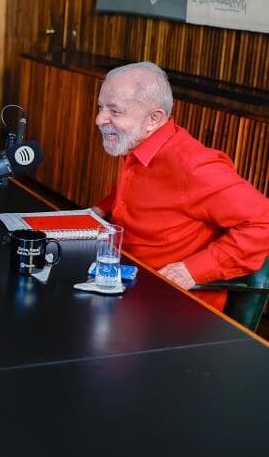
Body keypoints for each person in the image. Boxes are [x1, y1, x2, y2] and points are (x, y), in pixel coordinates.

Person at [92, 61, 269, 310]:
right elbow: (143, 189)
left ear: (154, 118)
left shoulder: (194, 166)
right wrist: (100, 209)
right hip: (125, 278)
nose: (99, 119)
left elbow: (264, 221)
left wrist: (192, 270)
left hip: (171, 305)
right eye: (101, 107)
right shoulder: (136, 142)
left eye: (115, 111)